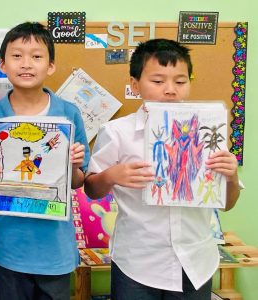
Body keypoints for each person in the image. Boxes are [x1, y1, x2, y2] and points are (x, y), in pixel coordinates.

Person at [84, 38, 240, 300]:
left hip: (195, 261)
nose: (170, 90)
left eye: (180, 81)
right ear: (135, 84)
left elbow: (227, 203)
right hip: (137, 262)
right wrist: (111, 176)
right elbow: (92, 189)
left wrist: (232, 177)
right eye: (158, 81)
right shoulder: (117, 132)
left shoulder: (209, 132)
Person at [0, 22, 90, 300]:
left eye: (36, 56)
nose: (26, 64)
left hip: (55, 246)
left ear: (50, 66)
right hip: (11, 245)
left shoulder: (68, 115)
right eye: (16, 56)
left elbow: (78, 181)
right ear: (2, 65)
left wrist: (73, 164)